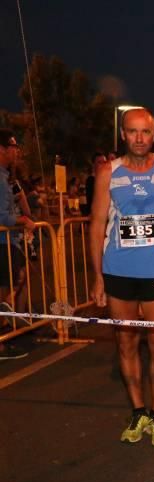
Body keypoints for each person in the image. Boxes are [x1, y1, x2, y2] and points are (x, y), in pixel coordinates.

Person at [89, 108, 154, 446]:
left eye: (145, 132)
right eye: (132, 132)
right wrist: (98, 277)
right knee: (126, 344)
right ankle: (138, 410)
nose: (139, 138)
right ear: (123, 135)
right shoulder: (107, 173)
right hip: (119, 271)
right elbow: (97, 224)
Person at [0, 130, 36, 360]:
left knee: (13, 284)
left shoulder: (6, 177)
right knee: (4, 291)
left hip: (8, 243)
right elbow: (2, 216)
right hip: (2, 243)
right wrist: (22, 220)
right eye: (12, 147)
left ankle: (3, 336)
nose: (16, 151)